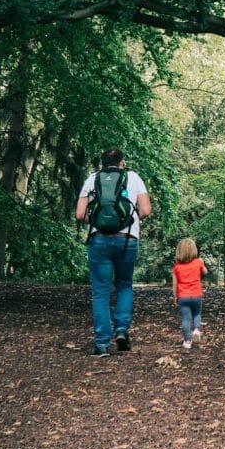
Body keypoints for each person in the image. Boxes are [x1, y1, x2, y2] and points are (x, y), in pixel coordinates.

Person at [76, 147, 151, 356]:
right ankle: (121, 330)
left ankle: (101, 344)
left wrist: (99, 222)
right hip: (127, 239)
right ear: (122, 163)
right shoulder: (134, 177)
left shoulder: (92, 179)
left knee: (100, 292)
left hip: (98, 240)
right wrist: (128, 222)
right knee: (124, 285)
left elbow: (80, 213)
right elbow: (145, 210)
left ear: (102, 163)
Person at [172, 238, 207, 349]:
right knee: (197, 314)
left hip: (183, 296)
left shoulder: (176, 267)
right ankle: (196, 329)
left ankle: (187, 341)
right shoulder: (198, 262)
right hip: (197, 295)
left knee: (186, 319)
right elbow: (205, 272)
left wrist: (175, 297)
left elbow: (175, 284)